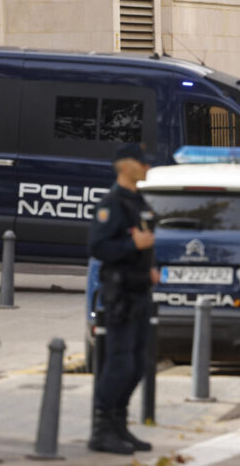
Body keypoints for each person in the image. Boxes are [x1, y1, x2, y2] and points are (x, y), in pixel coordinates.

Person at [88, 142, 160, 455]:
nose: (146, 167)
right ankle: (102, 429)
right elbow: (99, 247)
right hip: (121, 295)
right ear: (124, 165)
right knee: (121, 363)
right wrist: (134, 246)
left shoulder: (138, 200)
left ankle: (119, 425)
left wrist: (151, 266)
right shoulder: (112, 204)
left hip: (141, 289)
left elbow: (144, 239)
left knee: (138, 365)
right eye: (141, 162)